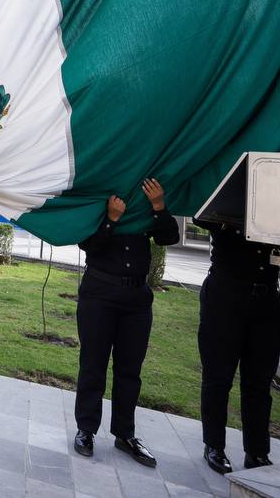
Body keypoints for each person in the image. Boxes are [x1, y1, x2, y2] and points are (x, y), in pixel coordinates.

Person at [73, 178, 179, 466]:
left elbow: (169, 237)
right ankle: (86, 429)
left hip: (137, 299)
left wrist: (158, 206)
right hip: (99, 294)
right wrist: (111, 219)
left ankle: (125, 434)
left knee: (130, 371)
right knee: (93, 364)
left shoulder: (145, 204)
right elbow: (89, 246)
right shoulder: (102, 201)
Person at [198, 221, 280, 474]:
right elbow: (202, 217)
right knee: (218, 377)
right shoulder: (231, 192)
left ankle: (256, 452)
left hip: (266, 301)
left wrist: (278, 226)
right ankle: (214, 445)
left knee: (259, 381)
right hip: (225, 296)